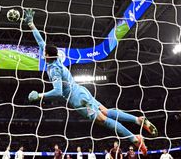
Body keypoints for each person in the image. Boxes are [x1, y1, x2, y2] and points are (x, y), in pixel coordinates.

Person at [24, 9, 158, 155]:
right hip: (81, 91)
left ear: (48, 56)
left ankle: (134, 139)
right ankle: (137, 120)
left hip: (78, 99)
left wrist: (40, 96)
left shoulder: (55, 70)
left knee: (103, 120)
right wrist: (31, 24)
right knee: (106, 111)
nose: (41, 53)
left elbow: (58, 92)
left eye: (43, 53)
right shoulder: (52, 58)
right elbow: (40, 41)